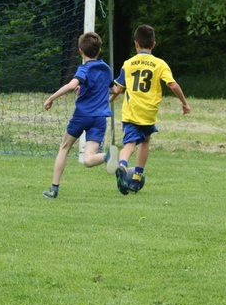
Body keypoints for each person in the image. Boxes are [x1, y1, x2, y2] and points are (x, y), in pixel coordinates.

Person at [110, 24, 190, 194]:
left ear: (136, 44)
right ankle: (137, 177)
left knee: (129, 144)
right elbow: (173, 85)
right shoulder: (159, 64)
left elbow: (118, 88)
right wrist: (184, 102)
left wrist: (106, 102)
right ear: (154, 44)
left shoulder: (129, 63)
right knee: (145, 141)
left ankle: (122, 166)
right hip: (148, 112)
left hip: (131, 112)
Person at [42, 31, 118, 199]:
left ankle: (54, 189)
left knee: (64, 147)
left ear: (81, 52)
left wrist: (51, 98)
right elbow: (113, 89)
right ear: (99, 51)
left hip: (82, 116)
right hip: (99, 119)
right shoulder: (105, 68)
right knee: (88, 159)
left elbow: (71, 85)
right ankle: (108, 156)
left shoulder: (84, 69)